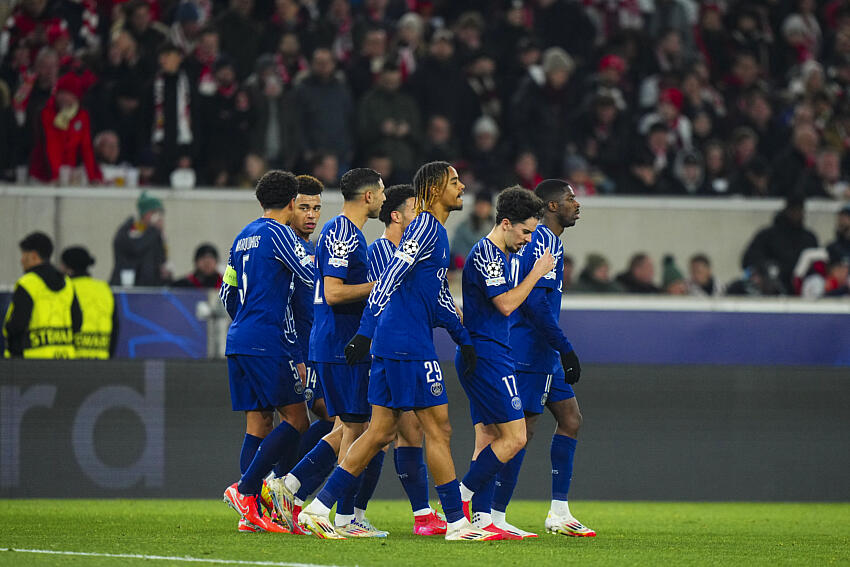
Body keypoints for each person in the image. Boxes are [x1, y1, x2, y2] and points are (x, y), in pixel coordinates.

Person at [296, 161, 496, 542]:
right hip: (407, 345)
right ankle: (456, 523)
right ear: (436, 188)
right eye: (455, 181)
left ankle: (318, 509)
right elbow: (391, 276)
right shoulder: (424, 226)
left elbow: (434, 296)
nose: (462, 187)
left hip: (398, 343)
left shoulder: (433, 230)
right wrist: (367, 332)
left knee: (378, 432)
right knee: (438, 428)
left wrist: (462, 337)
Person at [270, 168, 387, 538]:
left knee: (350, 426)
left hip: (337, 343)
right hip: (340, 344)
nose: (383, 198)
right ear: (368, 196)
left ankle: (289, 488)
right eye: (381, 192)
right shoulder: (341, 232)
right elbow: (334, 292)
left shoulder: (346, 233)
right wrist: (379, 285)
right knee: (358, 428)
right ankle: (337, 514)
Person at [455, 186, 555, 540]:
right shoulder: (488, 255)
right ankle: (459, 500)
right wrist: (538, 272)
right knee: (515, 438)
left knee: (488, 437)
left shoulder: (504, 254)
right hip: (487, 356)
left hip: (491, 351)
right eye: (525, 231)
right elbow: (507, 305)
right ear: (507, 223)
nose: (528, 239)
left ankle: (483, 519)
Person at [219, 170, 315, 534]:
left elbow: (226, 292)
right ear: (292, 203)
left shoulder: (243, 236)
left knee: (259, 423)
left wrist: (247, 320)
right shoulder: (280, 233)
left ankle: (251, 513)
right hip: (268, 340)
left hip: (239, 337)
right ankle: (246, 491)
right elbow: (309, 275)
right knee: (297, 420)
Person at [506, 179, 594, 538]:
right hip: (529, 348)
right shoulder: (540, 240)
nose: (578, 204)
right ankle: (480, 508)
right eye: (571, 198)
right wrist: (565, 346)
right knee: (519, 431)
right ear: (552, 206)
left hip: (545, 350)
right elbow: (534, 304)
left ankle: (559, 511)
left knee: (570, 418)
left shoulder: (551, 242)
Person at [366, 184, 446, 535]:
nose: (421, 215)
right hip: (387, 350)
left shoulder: (413, 250)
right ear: (396, 215)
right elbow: (386, 299)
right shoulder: (383, 252)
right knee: (386, 431)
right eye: (415, 208)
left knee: (398, 431)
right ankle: (324, 504)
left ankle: (420, 513)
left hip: (407, 349)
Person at [288, 175, 333, 462]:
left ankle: (282, 484)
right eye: (304, 207)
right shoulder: (285, 247)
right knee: (334, 419)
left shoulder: (313, 249)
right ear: (290, 206)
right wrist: (295, 355)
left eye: (316, 208)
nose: (312, 215)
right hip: (294, 353)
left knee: (334, 420)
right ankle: (281, 482)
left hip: (314, 350)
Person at [3, 232, 80, 359]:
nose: (21, 260)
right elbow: (77, 323)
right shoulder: (67, 283)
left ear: (33, 256)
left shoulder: (28, 283)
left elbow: (17, 325)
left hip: (32, 362)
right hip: (65, 360)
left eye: (24, 255)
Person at [741, 194, 819, 293]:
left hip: (801, 287)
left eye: (800, 210)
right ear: (786, 211)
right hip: (769, 286)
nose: (797, 214)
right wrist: (766, 267)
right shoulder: (768, 235)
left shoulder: (809, 238)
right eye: (793, 210)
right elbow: (748, 258)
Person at [60, 246, 117, 359]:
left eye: (62, 265)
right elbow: (115, 327)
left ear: (68, 268)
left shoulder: (65, 288)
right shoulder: (104, 289)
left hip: (72, 359)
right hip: (101, 358)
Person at [109, 192, 170, 287]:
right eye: (154, 212)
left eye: (160, 213)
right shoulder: (128, 230)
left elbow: (161, 258)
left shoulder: (154, 234)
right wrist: (154, 230)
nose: (158, 217)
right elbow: (136, 248)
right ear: (145, 213)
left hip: (151, 287)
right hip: (127, 286)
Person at [450, 191, 493, 269]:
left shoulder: (496, 228)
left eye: (485, 205)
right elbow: (456, 249)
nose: (482, 208)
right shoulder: (463, 227)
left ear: (490, 207)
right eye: (479, 205)